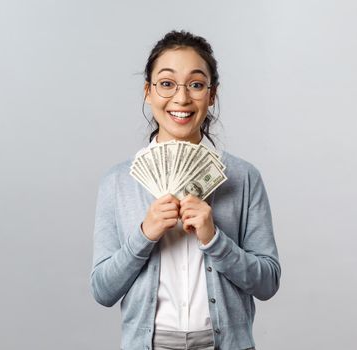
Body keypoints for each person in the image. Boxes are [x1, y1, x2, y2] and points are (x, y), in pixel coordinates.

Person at [90, 30, 281, 350]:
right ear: (148, 92)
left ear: (212, 94)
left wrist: (214, 239)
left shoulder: (244, 177)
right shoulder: (118, 181)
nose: (181, 98)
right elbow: (102, 290)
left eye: (195, 84)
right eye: (166, 83)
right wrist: (144, 234)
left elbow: (267, 282)